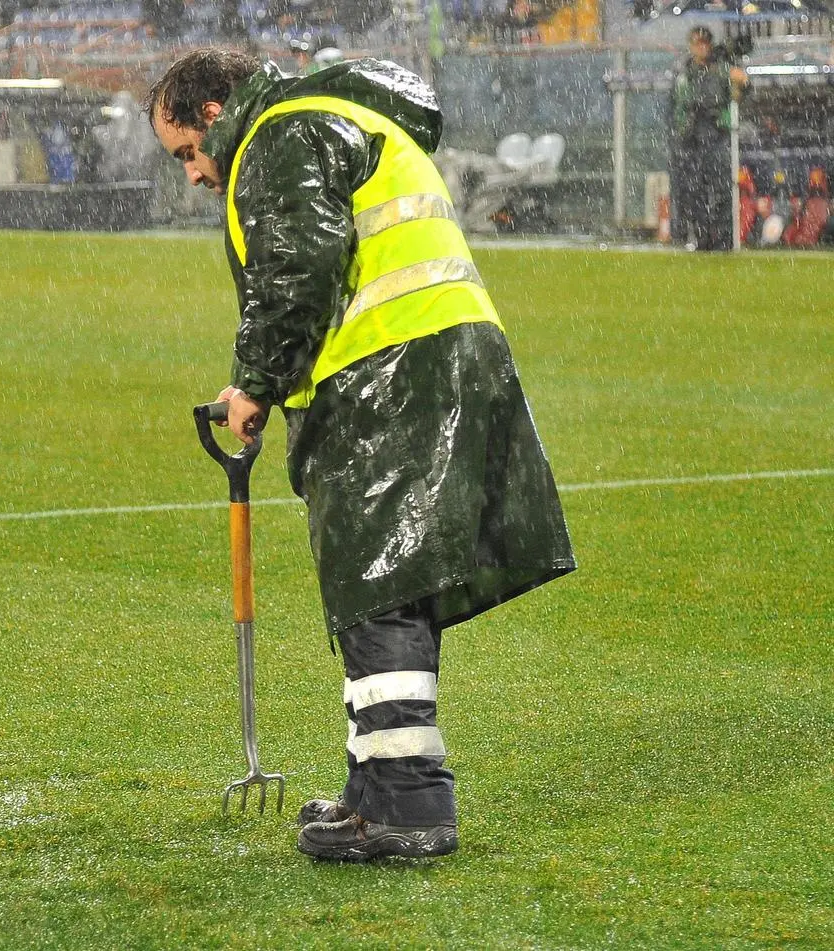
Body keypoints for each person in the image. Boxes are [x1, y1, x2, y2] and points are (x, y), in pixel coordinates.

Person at [144, 48, 575, 862]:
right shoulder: (345, 116)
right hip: (441, 354)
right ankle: (375, 785)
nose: (197, 176)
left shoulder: (279, 133)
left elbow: (297, 264)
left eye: (188, 153)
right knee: (386, 581)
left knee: (379, 585)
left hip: (392, 368)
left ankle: (409, 804)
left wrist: (254, 383)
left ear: (211, 113)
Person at [669, 26, 748, 251]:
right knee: (695, 193)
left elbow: (737, 97)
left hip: (717, 135)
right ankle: (702, 239)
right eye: (697, 43)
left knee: (722, 189)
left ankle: (723, 240)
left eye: (705, 43)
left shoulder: (722, 70)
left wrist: (741, 84)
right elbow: (679, 106)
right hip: (693, 137)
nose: (701, 47)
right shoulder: (685, 73)